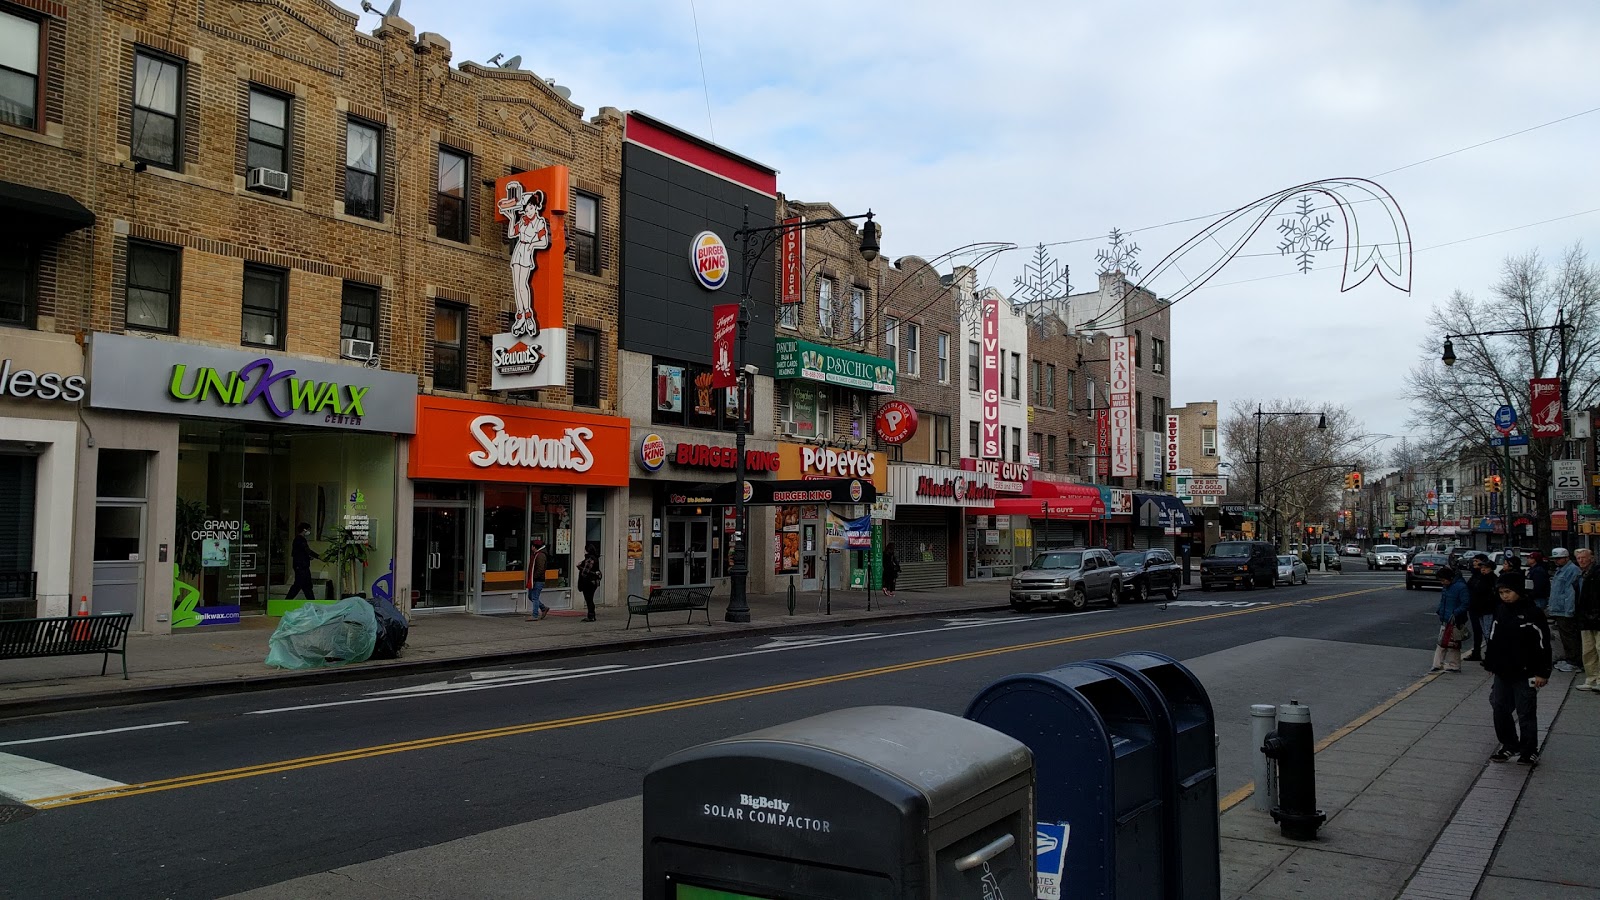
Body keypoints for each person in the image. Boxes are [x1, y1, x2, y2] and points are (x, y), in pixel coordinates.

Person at [1481, 571, 1552, 764]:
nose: (1505, 595)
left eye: (1508, 591)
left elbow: (1543, 644)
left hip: (1526, 671)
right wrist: (1490, 662)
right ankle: (1509, 745)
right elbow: (1493, 639)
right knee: (1499, 708)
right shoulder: (1500, 610)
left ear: (1519, 591)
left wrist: (1542, 672)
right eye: (1502, 592)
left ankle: (1529, 749)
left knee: (1526, 711)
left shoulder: (1533, 613)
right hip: (1503, 671)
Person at [1548, 548, 1583, 673]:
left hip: (1565, 610)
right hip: (1559, 609)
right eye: (1555, 559)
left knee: (1570, 636)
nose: (1556, 561)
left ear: (1566, 558)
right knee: (1565, 636)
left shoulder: (1572, 571)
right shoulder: (1561, 571)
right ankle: (1570, 659)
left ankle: (1574, 661)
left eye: (1559, 558)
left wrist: (1569, 611)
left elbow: (1571, 593)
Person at [1430, 566, 1470, 674]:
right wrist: (1440, 610)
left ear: (1450, 578)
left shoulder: (1461, 587)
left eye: (1443, 580)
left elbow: (1466, 603)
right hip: (1446, 618)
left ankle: (1451, 665)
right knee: (1443, 642)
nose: (1442, 583)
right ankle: (1439, 664)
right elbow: (1443, 601)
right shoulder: (1448, 587)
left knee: (1452, 644)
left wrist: (1455, 613)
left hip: (1455, 620)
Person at [1464, 555, 1498, 661]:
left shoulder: (1490, 579)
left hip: (1486, 609)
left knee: (1487, 632)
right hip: (1477, 608)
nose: (1475, 563)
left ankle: (1491, 655)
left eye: (1477, 561)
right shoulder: (1477, 576)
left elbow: (1490, 594)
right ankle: (1481, 653)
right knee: (1481, 631)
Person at [1577, 548, 1600, 692]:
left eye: (1584, 557)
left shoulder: (1596, 573)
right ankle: (1591, 678)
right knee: (1588, 650)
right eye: (1579, 558)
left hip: (1596, 616)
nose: (1581, 560)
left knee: (1599, 648)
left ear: (1592, 558)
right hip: (1585, 618)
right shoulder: (1581, 575)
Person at [285, 523, 320, 600]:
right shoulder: (300, 540)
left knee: (305, 585)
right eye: (309, 529)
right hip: (301, 567)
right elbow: (307, 551)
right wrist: (319, 556)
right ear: (304, 529)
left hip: (300, 566)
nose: (309, 531)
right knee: (301, 585)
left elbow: (300, 553)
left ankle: (311, 602)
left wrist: (307, 557)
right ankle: (287, 601)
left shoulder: (298, 540)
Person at [525, 536, 550, 621]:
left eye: (532, 546)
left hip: (538, 580)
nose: (531, 547)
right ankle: (543, 608)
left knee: (535, 597)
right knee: (531, 596)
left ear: (534, 547)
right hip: (534, 580)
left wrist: (534, 577)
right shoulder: (536, 555)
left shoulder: (540, 556)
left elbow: (540, 569)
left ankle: (535, 615)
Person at [576, 542, 601, 623]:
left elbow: (585, 572)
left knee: (589, 599)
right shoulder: (595, 558)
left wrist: (579, 567)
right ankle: (592, 615)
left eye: (585, 550)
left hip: (589, 582)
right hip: (593, 582)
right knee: (590, 599)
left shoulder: (590, 559)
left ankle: (591, 615)